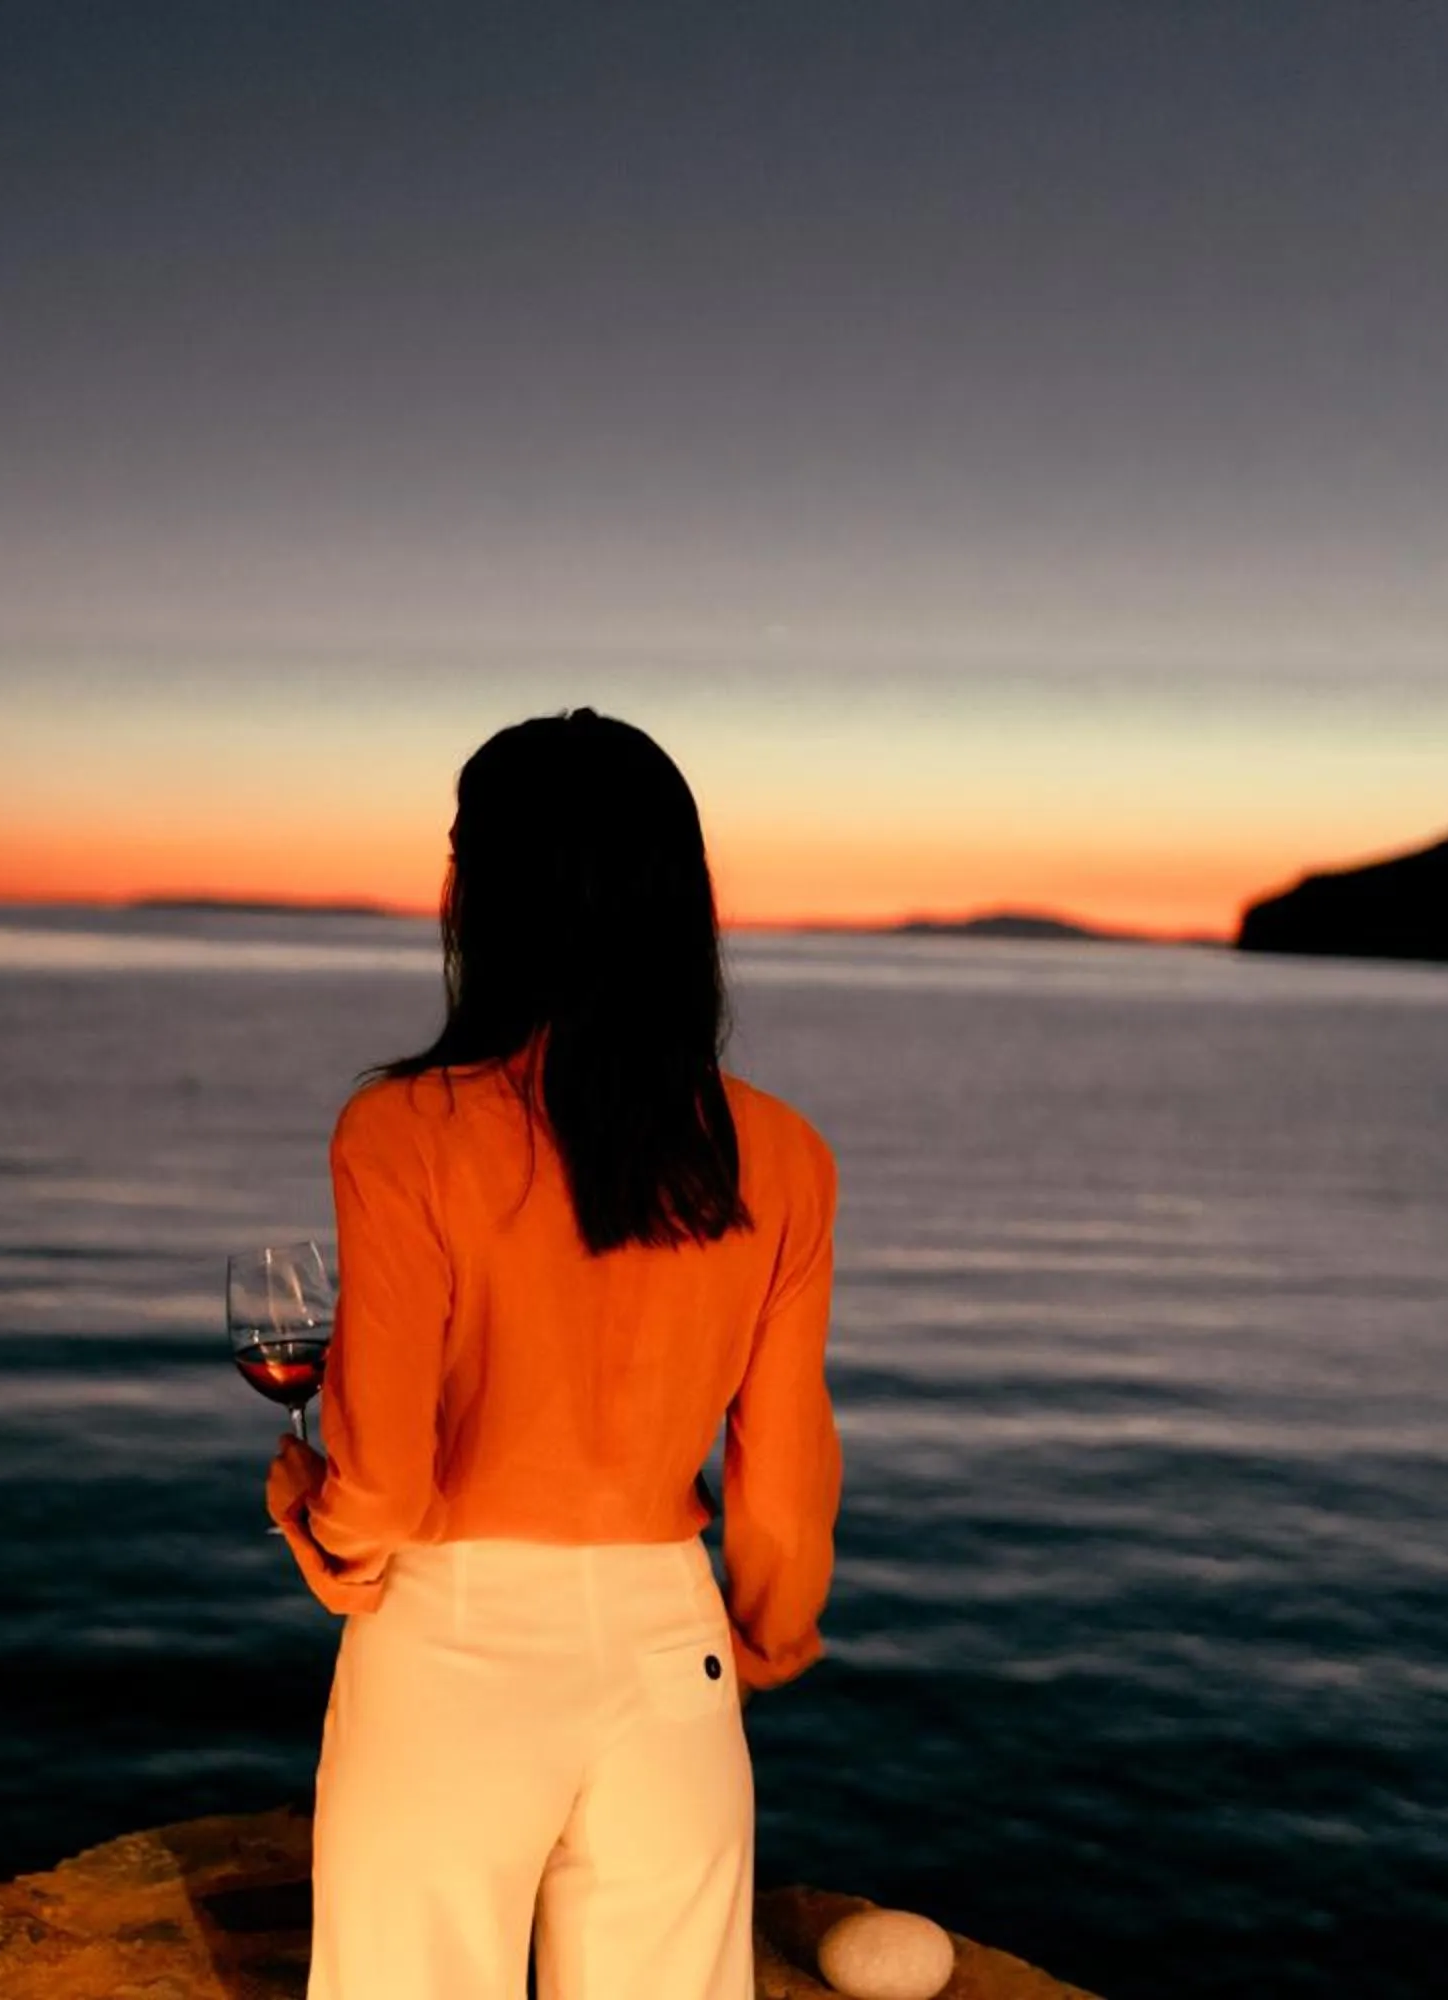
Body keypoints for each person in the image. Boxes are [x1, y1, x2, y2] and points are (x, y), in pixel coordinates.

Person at [266, 708, 843, 2000]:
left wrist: (317, 1526)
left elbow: (386, 1490)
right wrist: (768, 1626)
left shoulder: (404, 1132)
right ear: (678, 902)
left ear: (486, 892)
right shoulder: (784, 1155)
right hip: (669, 1651)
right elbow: (785, 1463)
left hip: (450, 1648)